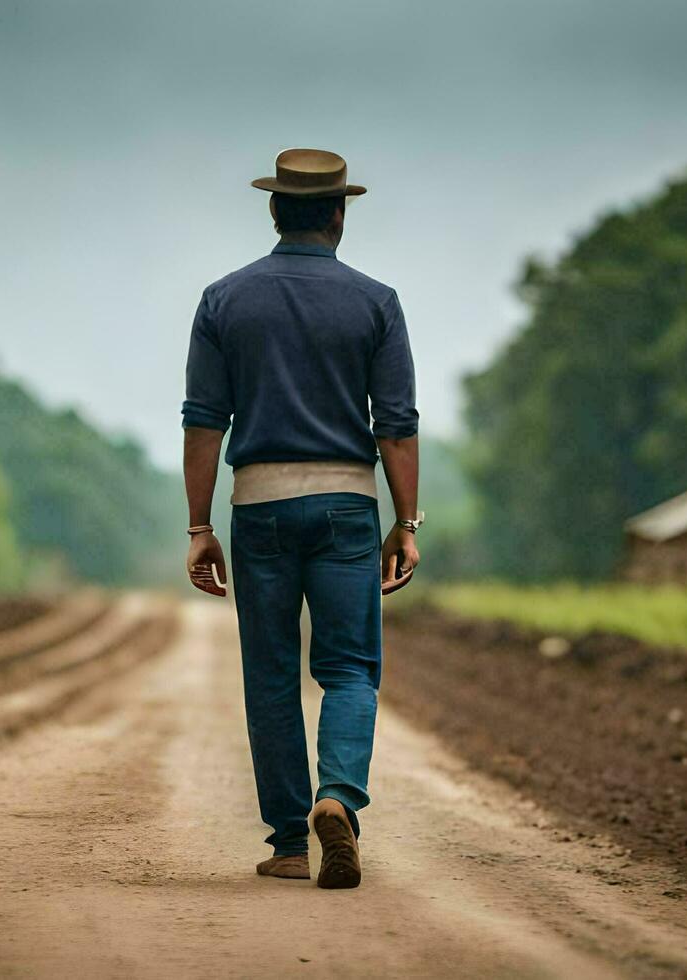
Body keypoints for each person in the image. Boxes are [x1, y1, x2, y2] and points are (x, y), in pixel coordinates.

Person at [181, 148, 422, 889]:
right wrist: (406, 522)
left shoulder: (225, 299)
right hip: (348, 505)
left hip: (259, 507)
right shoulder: (376, 301)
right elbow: (397, 426)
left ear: (275, 211)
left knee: (272, 674)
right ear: (340, 214)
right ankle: (337, 798)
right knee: (349, 669)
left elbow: (202, 422)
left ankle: (289, 844)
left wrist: (199, 527)